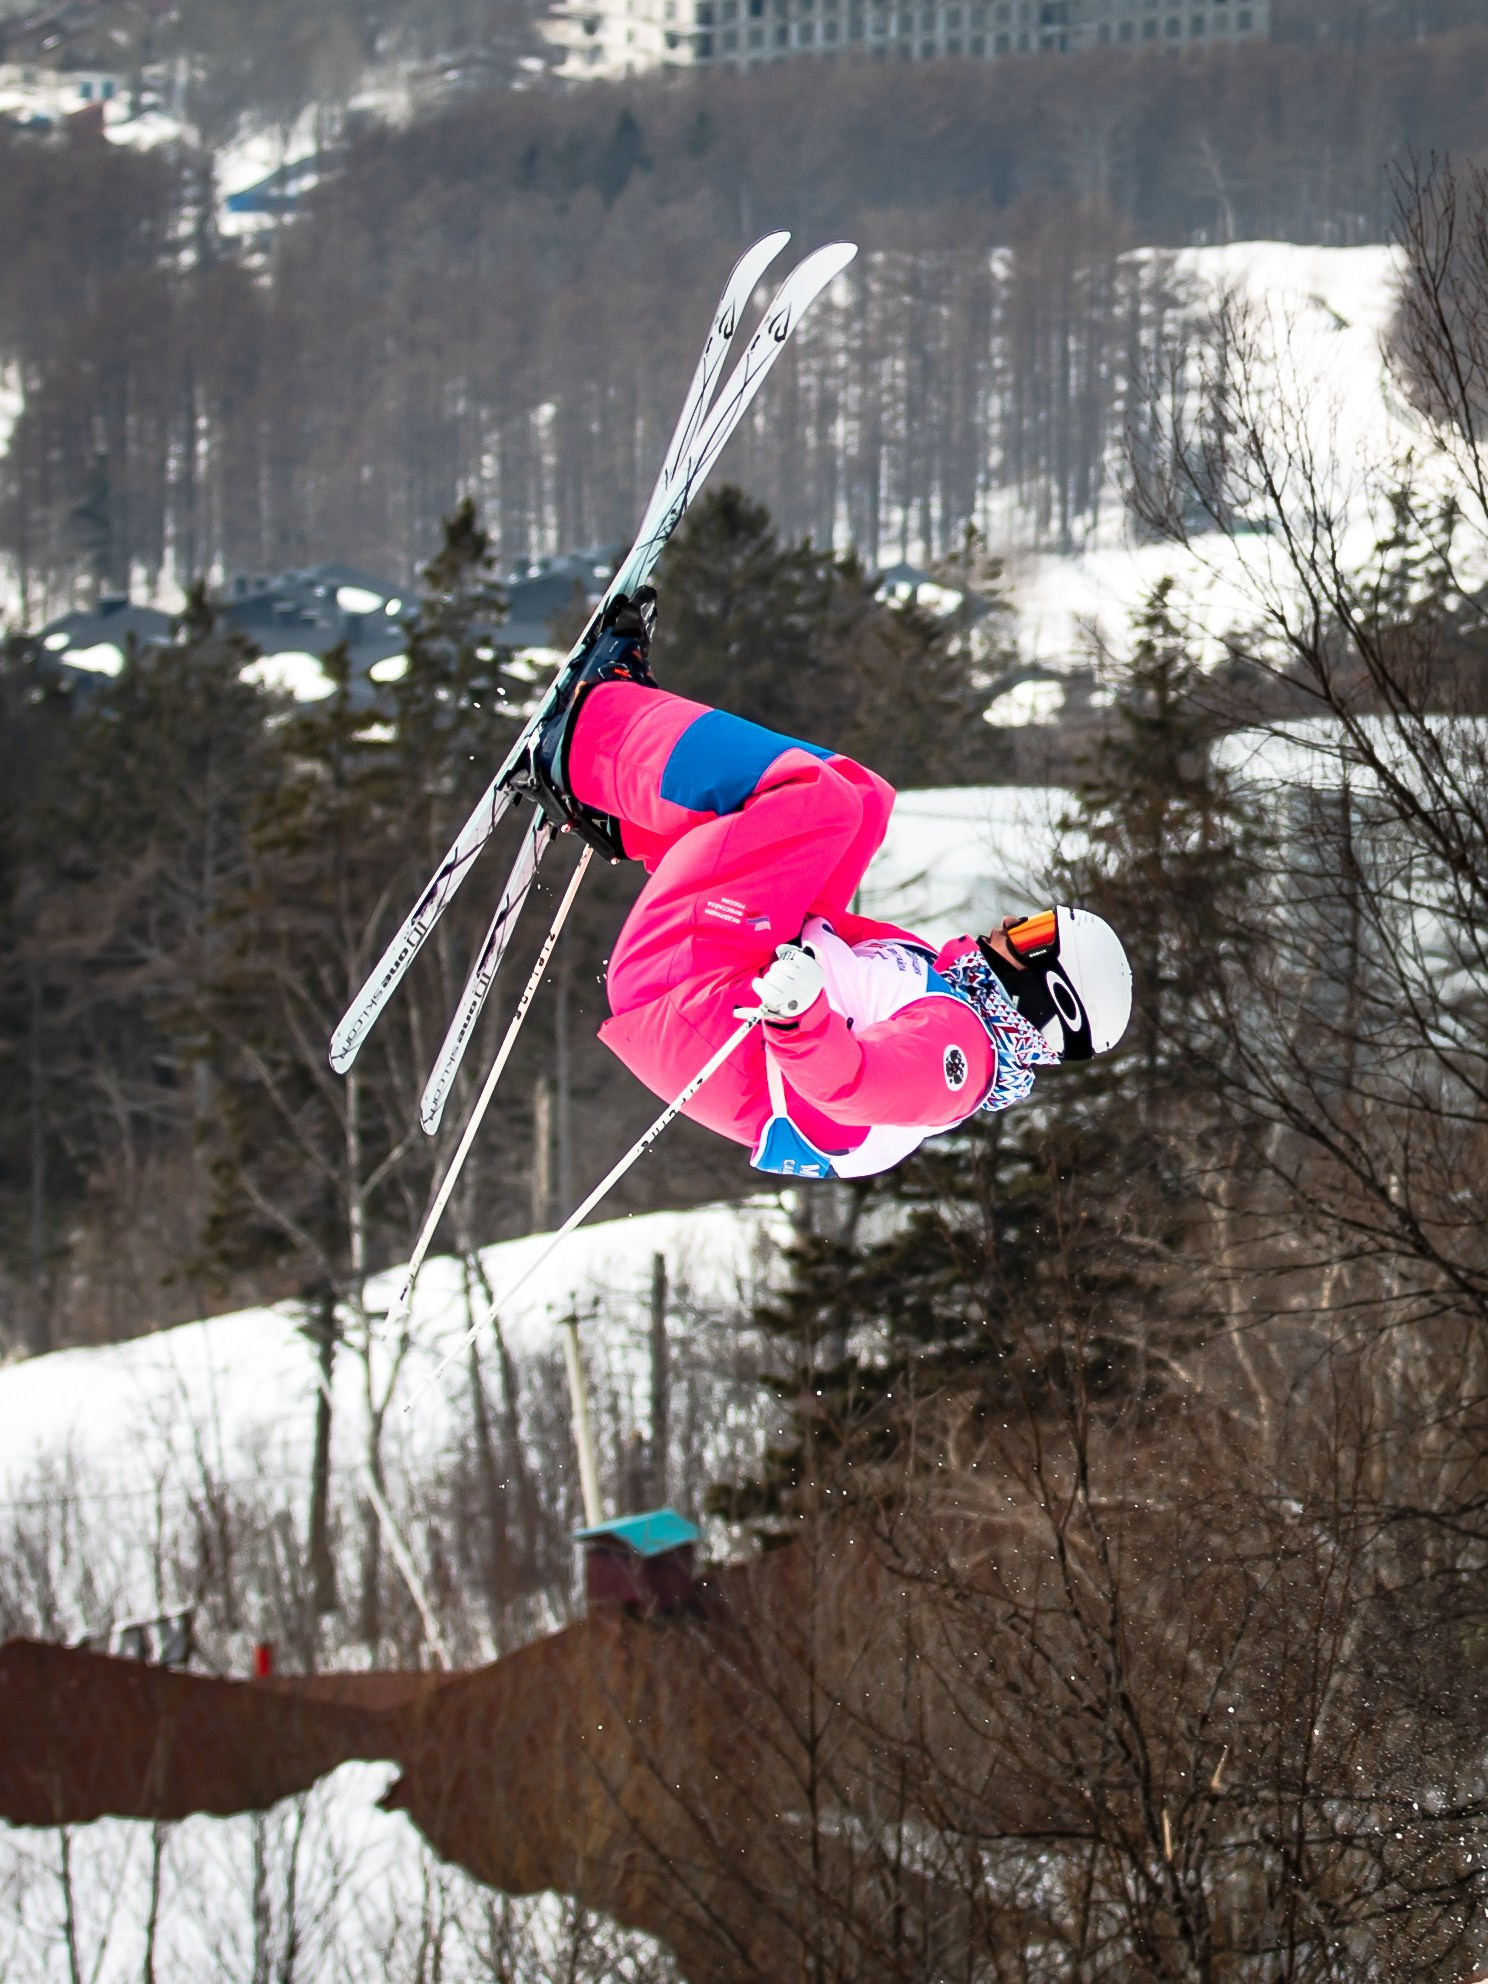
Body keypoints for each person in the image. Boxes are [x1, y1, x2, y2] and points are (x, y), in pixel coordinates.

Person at [513, 590, 1133, 1181]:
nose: (1008, 926)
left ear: (1049, 994)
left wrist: (798, 1015)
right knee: (862, 799)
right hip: (727, 986)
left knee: (821, 803)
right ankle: (617, 802)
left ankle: (583, 738)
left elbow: (850, 1088)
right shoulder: (953, 996)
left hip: (691, 1002)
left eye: (1033, 935)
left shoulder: (962, 1058)